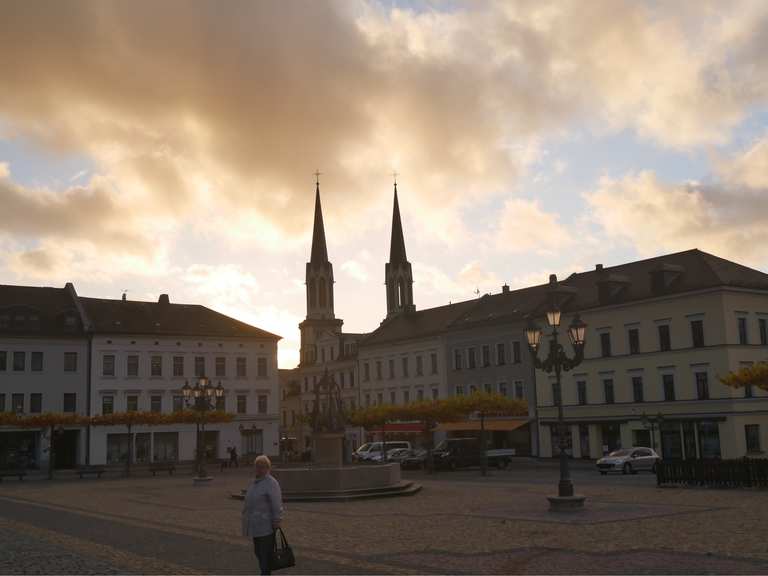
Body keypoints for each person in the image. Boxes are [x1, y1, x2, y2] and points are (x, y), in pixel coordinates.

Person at [242, 455, 283, 575]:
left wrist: (277, 519)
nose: (259, 469)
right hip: (255, 525)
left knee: (264, 554)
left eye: (262, 467)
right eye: (257, 466)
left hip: (266, 525)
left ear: (268, 468)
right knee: (258, 552)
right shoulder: (255, 482)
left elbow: (277, 503)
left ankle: (265, 573)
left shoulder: (271, 483)